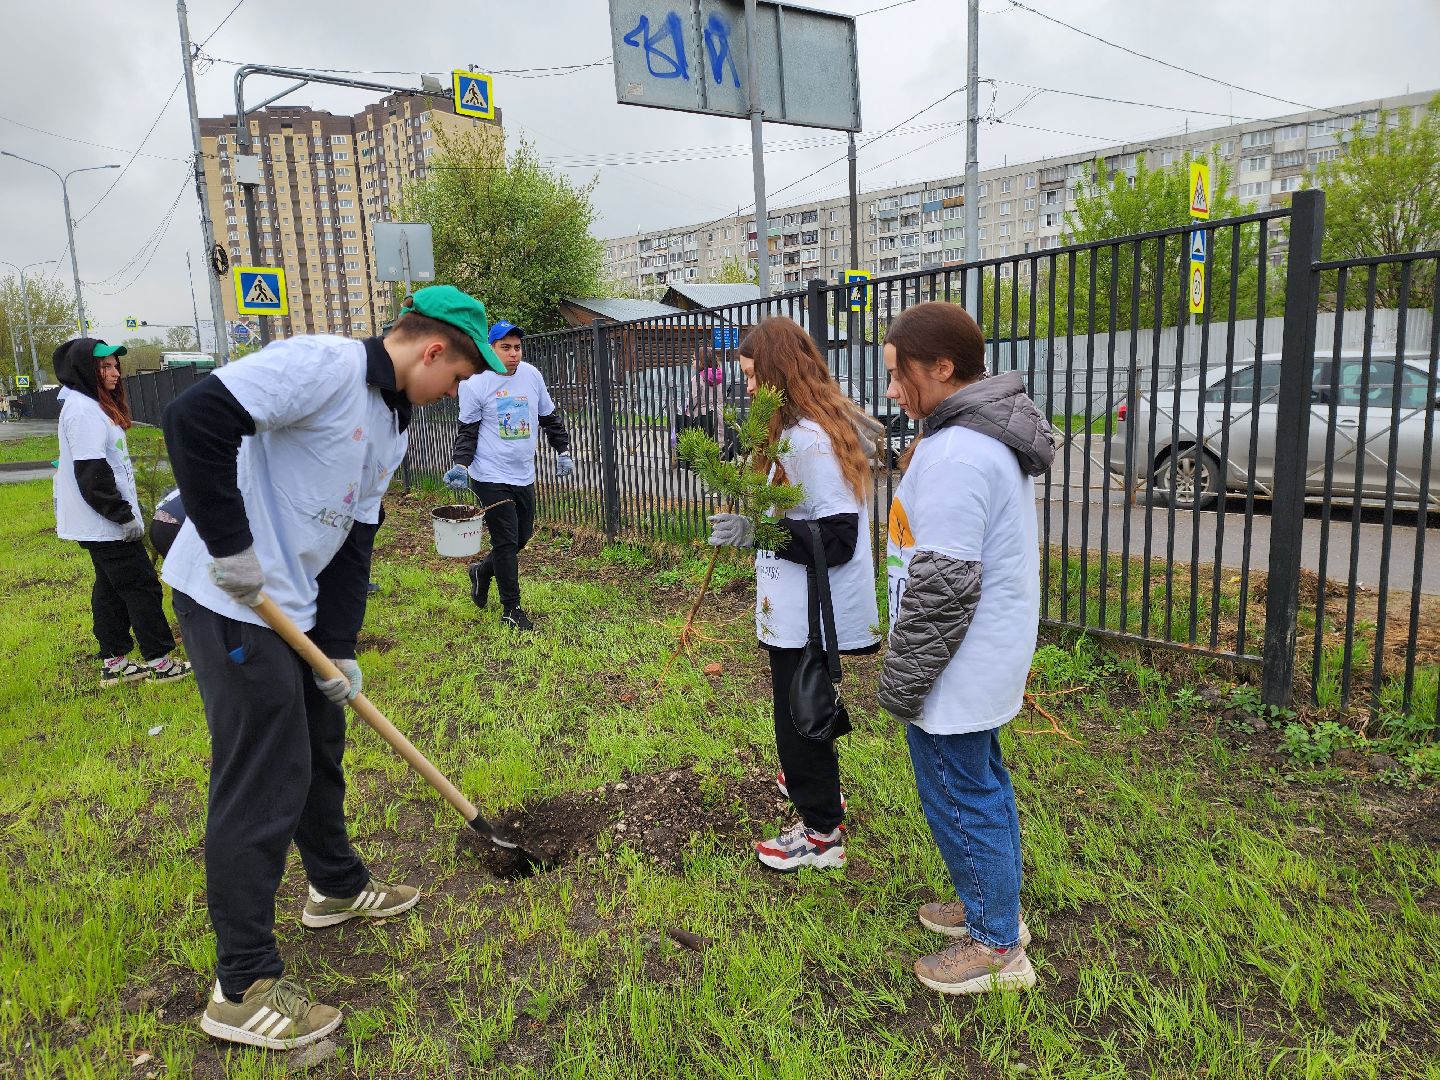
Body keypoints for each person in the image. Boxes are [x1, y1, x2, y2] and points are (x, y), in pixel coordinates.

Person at [160, 285, 502, 1050]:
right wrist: (230, 546)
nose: (457, 392)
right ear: (432, 349)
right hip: (231, 599)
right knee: (264, 771)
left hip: (298, 608)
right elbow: (195, 420)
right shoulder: (321, 365)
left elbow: (355, 542)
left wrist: (340, 646)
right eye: (459, 377)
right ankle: (241, 986)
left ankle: (336, 886)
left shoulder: (395, 421)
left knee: (320, 744)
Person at [877, 301, 1055, 995]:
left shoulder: (956, 453)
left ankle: (996, 947)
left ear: (942, 368)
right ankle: (992, 907)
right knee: (981, 783)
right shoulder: (976, 442)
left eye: (899, 375)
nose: (892, 390)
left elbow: (941, 589)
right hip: (977, 655)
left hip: (953, 661)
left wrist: (903, 681)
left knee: (960, 791)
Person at [705, 316, 880, 872]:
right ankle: (808, 777)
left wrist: (761, 534)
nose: (749, 389)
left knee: (799, 715)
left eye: (755, 377)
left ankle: (822, 831)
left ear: (780, 373)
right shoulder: (790, 432)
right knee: (799, 713)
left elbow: (839, 537)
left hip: (809, 613)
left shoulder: (807, 441)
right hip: (793, 606)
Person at [52, 338, 192, 686]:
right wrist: (122, 515)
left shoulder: (92, 406)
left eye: (115, 366)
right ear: (85, 370)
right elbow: (92, 475)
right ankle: (160, 662)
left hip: (101, 522)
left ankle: (114, 662)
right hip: (105, 522)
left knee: (110, 589)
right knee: (141, 586)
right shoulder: (84, 411)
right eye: (105, 367)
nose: (114, 373)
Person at [442, 320, 573, 632]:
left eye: (516, 347)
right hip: (489, 475)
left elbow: (548, 417)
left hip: (523, 474)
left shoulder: (531, 375)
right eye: (506, 348)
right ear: (491, 349)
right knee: (505, 540)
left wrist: (563, 450)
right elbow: (468, 432)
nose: (513, 354)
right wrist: (461, 464)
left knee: (521, 538)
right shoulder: (476, 382)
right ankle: (511, 609)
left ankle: (481, 572)